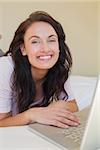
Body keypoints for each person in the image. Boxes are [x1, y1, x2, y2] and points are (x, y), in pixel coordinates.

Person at [0, 11, 80, 128]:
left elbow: (73, 106)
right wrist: (32, 115)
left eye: (51, 40)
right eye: (35, 41)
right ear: (23, 49)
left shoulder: (59, 68)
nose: (46, 48)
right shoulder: (6, 68)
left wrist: (57, 106)